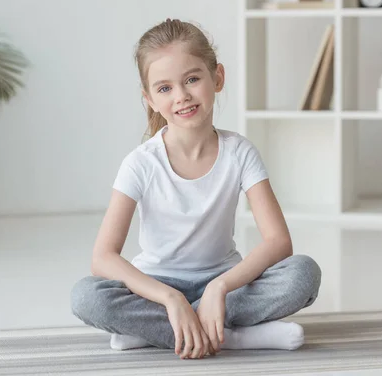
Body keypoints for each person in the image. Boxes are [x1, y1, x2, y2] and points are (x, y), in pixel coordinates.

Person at [70, 18, 321, 360]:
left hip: (225, 284)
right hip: (155, 289)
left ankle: (161, 331)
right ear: (149, 99)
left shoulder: (239, 152)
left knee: (303, 273)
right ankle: (228, 335)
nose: (182, 96)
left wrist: (220, 287)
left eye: (192, 79)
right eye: (165, 88)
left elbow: (279, 241)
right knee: (87, 297)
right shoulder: (140, 163)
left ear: (217, 77)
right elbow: (103, 257)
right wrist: (170, 299)